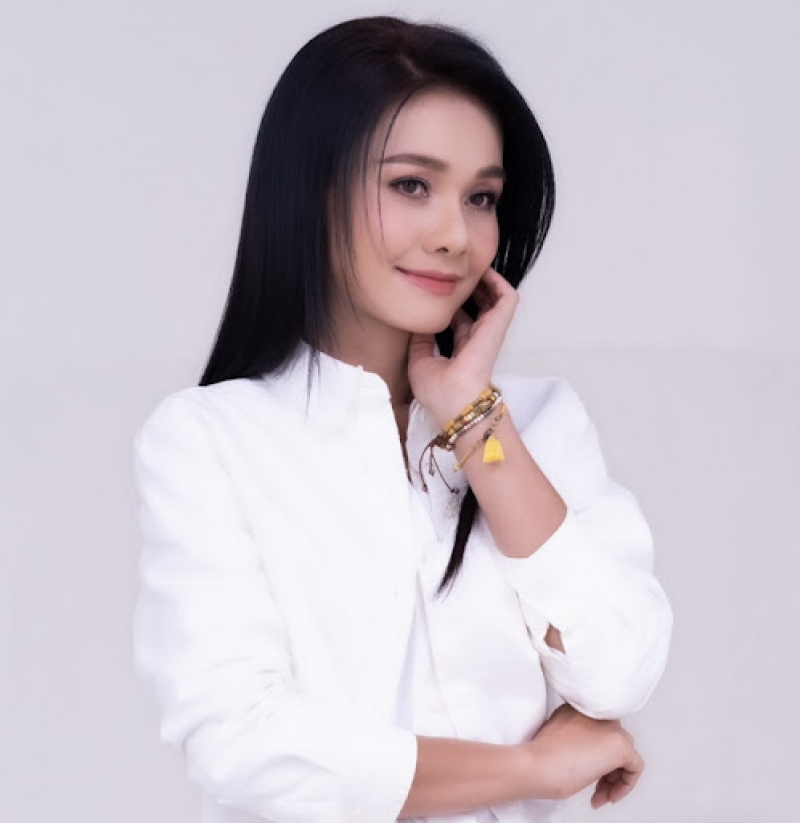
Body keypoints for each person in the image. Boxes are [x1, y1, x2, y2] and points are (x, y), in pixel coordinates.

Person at [132, 15, 672, 823]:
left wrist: (477, 424)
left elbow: (620, 668)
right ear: (312, 192)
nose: (455, 235)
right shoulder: (210, 441)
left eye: (481, 197)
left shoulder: (538, 424)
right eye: (411, 185)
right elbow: (243, 744)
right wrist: (530, 766)